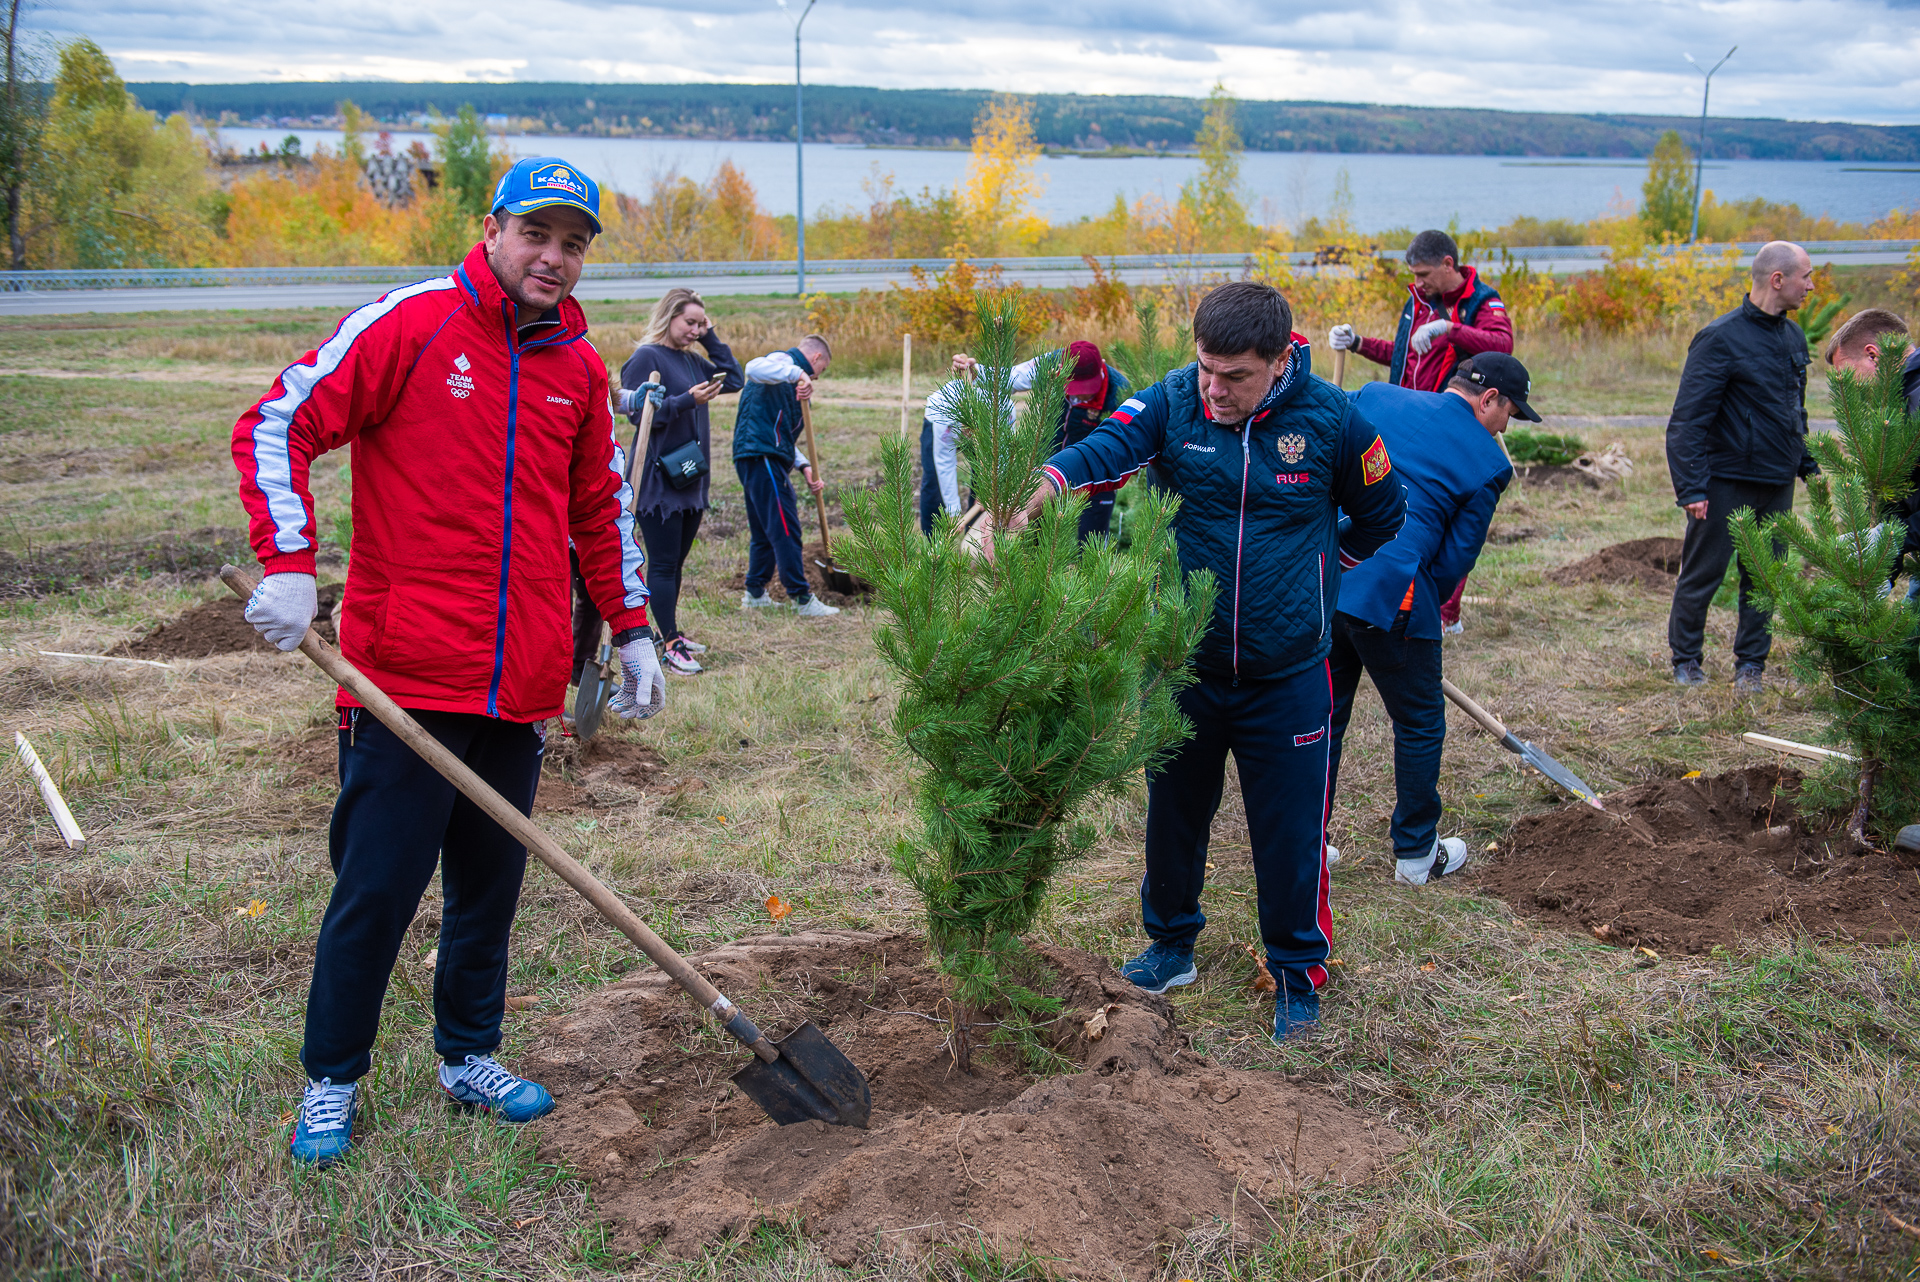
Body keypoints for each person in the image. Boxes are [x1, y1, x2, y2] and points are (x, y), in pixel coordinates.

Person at [231, 156, 665, 1169]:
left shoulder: (580, 370)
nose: (553, 258)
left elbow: (601, 508)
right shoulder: (414, 324)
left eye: (573, 244)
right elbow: (279, 421)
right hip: (402, 684)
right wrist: (291, 566)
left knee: (489, 887)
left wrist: (634, 624)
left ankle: (469, 1052)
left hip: (519, 686)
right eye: (537, 235)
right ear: (492, 228)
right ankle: (332, 1077)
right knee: (377, 889)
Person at [1018, 281, 1406, 1041]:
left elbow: (1382, 514)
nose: (1215, 389)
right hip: (1185, 665)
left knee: (1291, 833)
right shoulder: (1173, 401)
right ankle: (1169, 947)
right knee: (1175, 815)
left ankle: (1297, 972)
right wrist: (1043, 488)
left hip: (1288, 676)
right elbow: (1106, 448)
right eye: (1206, 369)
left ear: (1279, 359)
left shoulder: (1332, 420)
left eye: (1236, 376)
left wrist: (1318, 579)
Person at [1327, 355, 1534, 886]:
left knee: (1321, 719)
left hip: (1323, 574)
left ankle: (1305, 843)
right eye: (1510, 411)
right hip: (1395, 592)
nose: (1507, 427)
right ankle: (1418, 854)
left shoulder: (1374, 396)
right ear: (1488, 399)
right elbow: (1452, 564)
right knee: (1419, 722)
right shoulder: (1490, 465)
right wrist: (1416, 619)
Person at [1330, 229, 1514, 636]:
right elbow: (1401, 355)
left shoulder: (1482, 302)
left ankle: (1441, 612)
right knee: (1390, 511)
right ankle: (1366, 594)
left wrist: (1452, 330)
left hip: (1451, 429)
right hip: (1407, 422)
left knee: (1442, 514)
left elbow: (1501, 344)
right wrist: (1358, 343)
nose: (1419, 282)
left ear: (1449, 265)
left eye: (1425, 273)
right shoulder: (1418, 304)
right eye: (1414, 274)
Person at [1665, 240, 1816, 694]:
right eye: (1805, 277)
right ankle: (1686, 660)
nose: (1811, 286)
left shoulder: (1794, 337)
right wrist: (1691, 487)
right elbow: (1687, 421)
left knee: (1765, 580)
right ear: (1777, 280)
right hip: (1724, 482)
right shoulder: (1719, 338)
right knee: (1703, 574)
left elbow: (1795, 410)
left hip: (1776, 480)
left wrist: (1806, 462)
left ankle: (1751, 665)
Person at [615, 288, 743, 676]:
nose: (694, 330)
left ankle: (670, 631)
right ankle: (669, 644)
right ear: (669, 317)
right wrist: (687, 401)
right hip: (658, 478)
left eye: (699, 324)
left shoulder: (691, 359)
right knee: (664, 563)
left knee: (677, 564)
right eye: (690, 322)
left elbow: (735, 379)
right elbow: (641, 417)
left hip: (690, 476)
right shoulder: (646, 358)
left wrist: (709, 337)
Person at [942, 342, 1130, 541]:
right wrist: (976, 371)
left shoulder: (1120, 391)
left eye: (1085, 389)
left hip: (1095, 472)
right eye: (1073, 387)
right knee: (1034, 534)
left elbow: (1123, 447)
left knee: (1093, 535)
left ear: (1101, 366)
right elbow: (1010, 378)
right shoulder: (1050, 363)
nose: (1077, 395)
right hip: (1047, 470)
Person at [734, 334, 840, 618]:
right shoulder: (784, 362)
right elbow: (753, 367)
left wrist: (804, 465)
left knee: (764, 530)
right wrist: (798, 373)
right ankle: (801, 597)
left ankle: (755, 593)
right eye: (822, 370)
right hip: (761, 455)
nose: (817, 377)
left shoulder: (792, 379)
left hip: (762, 455)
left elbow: (780, 433)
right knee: (785, 526)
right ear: (816, 358)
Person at [1824, 308, 1920, 598]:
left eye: (1848, 378)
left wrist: (1894, 538)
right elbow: (1903, 493)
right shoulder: (1899, 402)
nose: (1848, 392)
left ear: (1873, 355)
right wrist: (1882, 569)